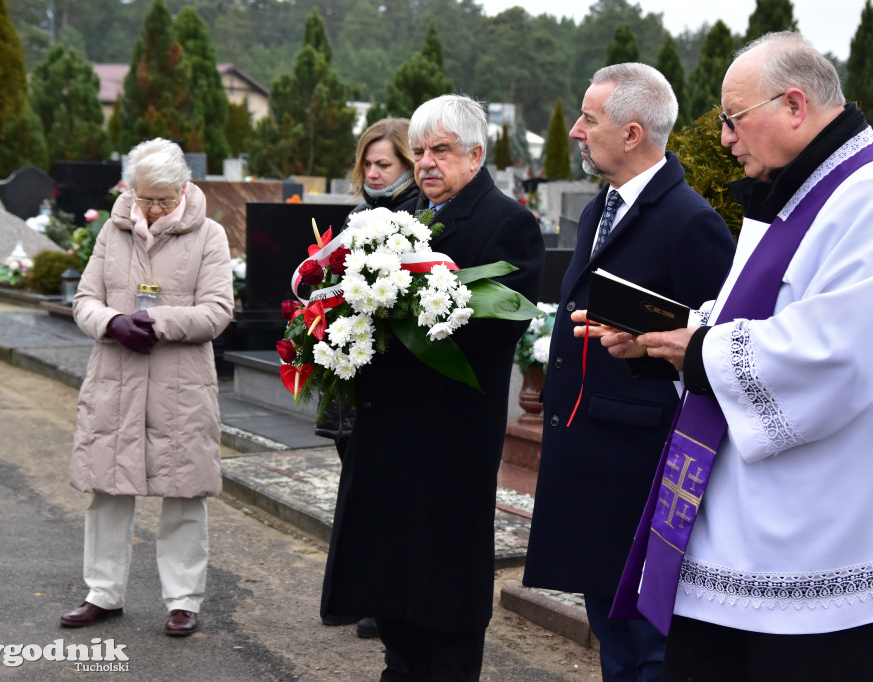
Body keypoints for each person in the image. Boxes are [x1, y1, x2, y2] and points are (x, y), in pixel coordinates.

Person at [582, 32, 873, 680]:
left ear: (794, 105)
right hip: (750, 534)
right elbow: (746, 319)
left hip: (818, 546)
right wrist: (662, 341)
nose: (727, 139)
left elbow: (836, 354)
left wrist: (699, 349)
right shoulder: (797, 194)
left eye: (734, 120)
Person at [320, 94, 545, 681]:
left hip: (449, 437)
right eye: (418, 151)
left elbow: (497, 327)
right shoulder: (400, 218)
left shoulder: (510, 224)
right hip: (388, 430)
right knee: (390, 574)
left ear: (476, 153)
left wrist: (399, 312)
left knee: (444, 581)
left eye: (440, 150)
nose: (425, 163)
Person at [522, 63, 735, 682]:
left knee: (648, 649)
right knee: (612, 639)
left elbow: (712, 352)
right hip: (587, 461)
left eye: (589, 119)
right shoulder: (600, 210)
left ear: (633, 132)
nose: (577, 131)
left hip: (642, 472)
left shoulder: (690, 221)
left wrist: (653, 348)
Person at [60, 138, 234, 637]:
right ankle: (103, 593)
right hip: (116, 379)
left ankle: (183, 599)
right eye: (145, 198)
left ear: (183, 188)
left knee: (184, 493)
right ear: (131, 190)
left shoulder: (211, 235)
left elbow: (218, 311)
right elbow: (84, 299)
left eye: (163, 198)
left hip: (180, 385)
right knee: (107, 489)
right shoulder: (111, 233)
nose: (153, 208)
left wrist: (156, 322)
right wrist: (112, 322)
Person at [315, 117, 420, 639]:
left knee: (390, 491)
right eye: (368, 164)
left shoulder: (417, 216)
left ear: (407, 162)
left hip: (389, 375)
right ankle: (364, 587)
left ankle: (386, 595)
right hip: (353, 373)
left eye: (385, 163)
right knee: (357, 482)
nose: (374, 173)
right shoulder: (360, 214)